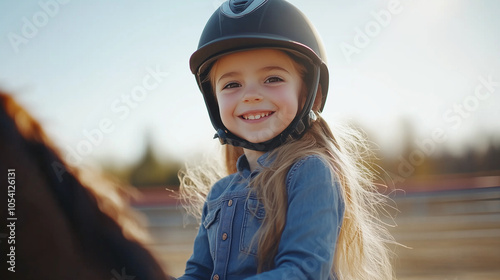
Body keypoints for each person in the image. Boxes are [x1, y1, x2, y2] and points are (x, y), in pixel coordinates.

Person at [178, 0, 395, 279]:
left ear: (308, 95)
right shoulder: (219, 194)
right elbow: (197, 274)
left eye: (272, 78)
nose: (251, 95)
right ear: (213, 100)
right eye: (232, 84)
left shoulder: (311, 173)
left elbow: (303, 271)